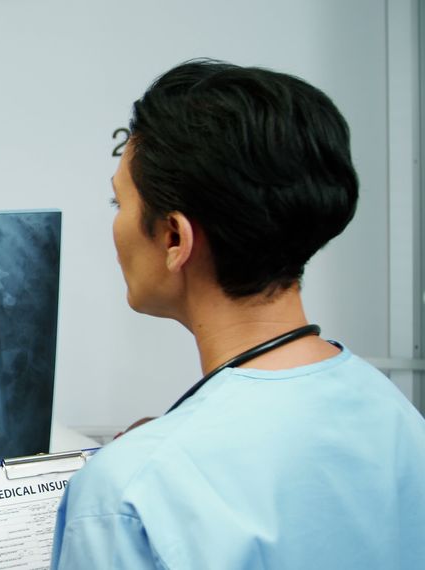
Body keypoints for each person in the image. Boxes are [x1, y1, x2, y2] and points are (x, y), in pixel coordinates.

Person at [51, 59, 425, 568]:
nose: (115, 227)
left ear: (174, 238)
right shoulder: (398, 418)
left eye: (119, 203)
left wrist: (150, 463)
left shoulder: (127, 496)